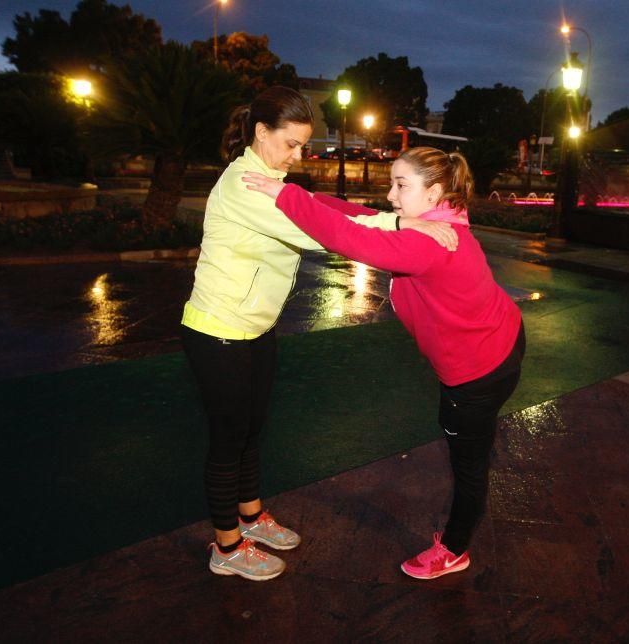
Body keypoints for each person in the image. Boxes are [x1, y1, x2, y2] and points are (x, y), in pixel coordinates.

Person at [181, 88, 458, 582]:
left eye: (303, 145)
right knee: (229, 439)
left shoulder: (274, 179)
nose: (297, 155)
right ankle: (226, 545)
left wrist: (400, 218)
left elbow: (330, 209)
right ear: (261, 132)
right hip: (219, 329)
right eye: (290, 144)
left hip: (254, 328)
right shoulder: (247, 186)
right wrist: (405, 233)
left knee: (251, 431)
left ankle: (250, 517)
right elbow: (326, 232)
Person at [242, 146, 525, 580]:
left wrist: (287, 198)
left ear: (433, 193)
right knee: (467, 443)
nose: (390, 195)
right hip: (499, 337)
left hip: (480, 369)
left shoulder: (428, 243)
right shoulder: (438, 222)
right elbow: (356, 214)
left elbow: (350, 238)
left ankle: (454, 549)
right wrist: (295, 191)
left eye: (400, 185)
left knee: (468, 464)